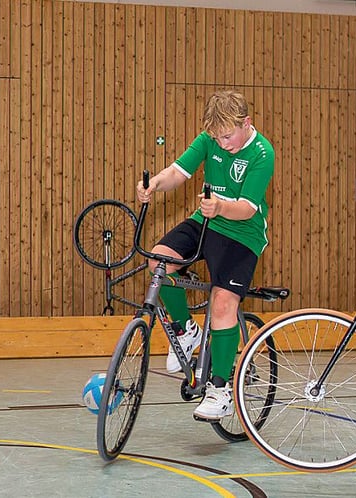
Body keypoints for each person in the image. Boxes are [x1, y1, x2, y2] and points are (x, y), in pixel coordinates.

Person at [137, 89, 274, 421]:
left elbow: (245, 209)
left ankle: (220, 388)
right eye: (217, 137)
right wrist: (154, 183)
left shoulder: (262, 152)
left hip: (243, 233)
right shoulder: (210, 138)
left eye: (228, 136)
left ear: (247, 123)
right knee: (158, 260)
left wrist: (220, 206)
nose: (223, 143)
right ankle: (186, 331)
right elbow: (178, 173)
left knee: (223, 302)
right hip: (206, 221)